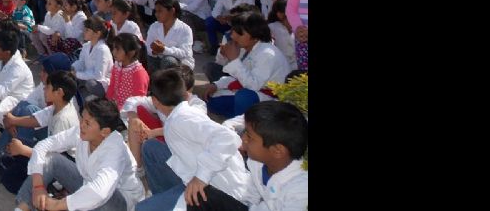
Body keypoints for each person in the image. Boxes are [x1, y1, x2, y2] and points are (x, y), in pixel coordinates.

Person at [136, 69, 251, 211]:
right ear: (185, 94)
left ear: (155, 101)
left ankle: (170, 203)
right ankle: (166, 199)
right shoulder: (178, 115)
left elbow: (229, 138)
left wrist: (200, 178)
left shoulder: (183, 119)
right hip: (195, 175)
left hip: (222, 192)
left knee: (142, 208)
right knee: (151, 148)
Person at [15, 98, 144, 211]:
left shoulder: (116, 149)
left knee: (97, 196)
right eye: (82, 118)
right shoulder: (82, 131)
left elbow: (99, 192)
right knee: (51, 160)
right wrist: (38, 186)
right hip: (87, 187)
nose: (81, 125)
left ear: (104, 132)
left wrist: (58, 205)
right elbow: (43, 146)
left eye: (88, 123)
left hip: (118, 202)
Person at [239, 101, 309, 211]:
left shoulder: (300, 191)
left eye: (249, 136)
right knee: (204, 194)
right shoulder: (257, 162)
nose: (243, 138)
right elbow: (251, 196)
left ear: (277, 151)